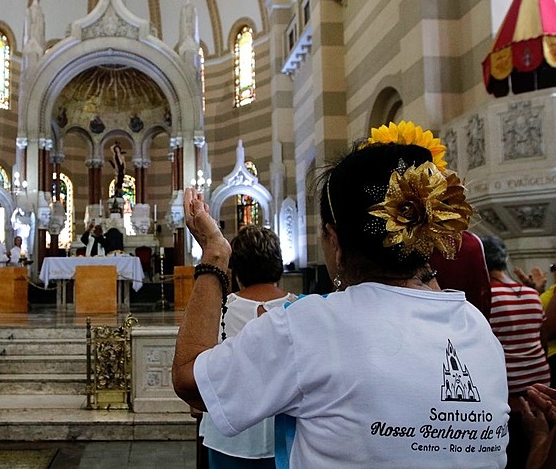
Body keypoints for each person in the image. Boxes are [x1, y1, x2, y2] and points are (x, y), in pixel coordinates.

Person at [172, 121, 510, 468]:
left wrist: (214, 255)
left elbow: (189, 379)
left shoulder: (311, 326)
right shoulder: (477, 328)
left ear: (335, 242)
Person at [198, 225, 297, 468]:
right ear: (279, 265)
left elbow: (199, 369)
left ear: (236, 268)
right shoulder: (302, 309)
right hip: (286, 437)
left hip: (228, 435)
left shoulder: (218, 311)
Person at [482, 235, 551, 467]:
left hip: (511, 396)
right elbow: (541, 338)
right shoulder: (532, 293)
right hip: (542, 389)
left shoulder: (487, 297)